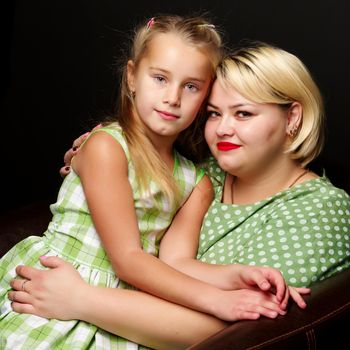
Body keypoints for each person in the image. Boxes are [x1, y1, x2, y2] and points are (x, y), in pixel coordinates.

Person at [8, 41, 349, 350]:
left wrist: (82, 299)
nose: (223, 129)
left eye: (243, 113)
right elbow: (141, 168)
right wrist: (90, 158)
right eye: (214, 113)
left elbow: (241, 333)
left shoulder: (321, 208)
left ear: (292, 116)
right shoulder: (207, 171)